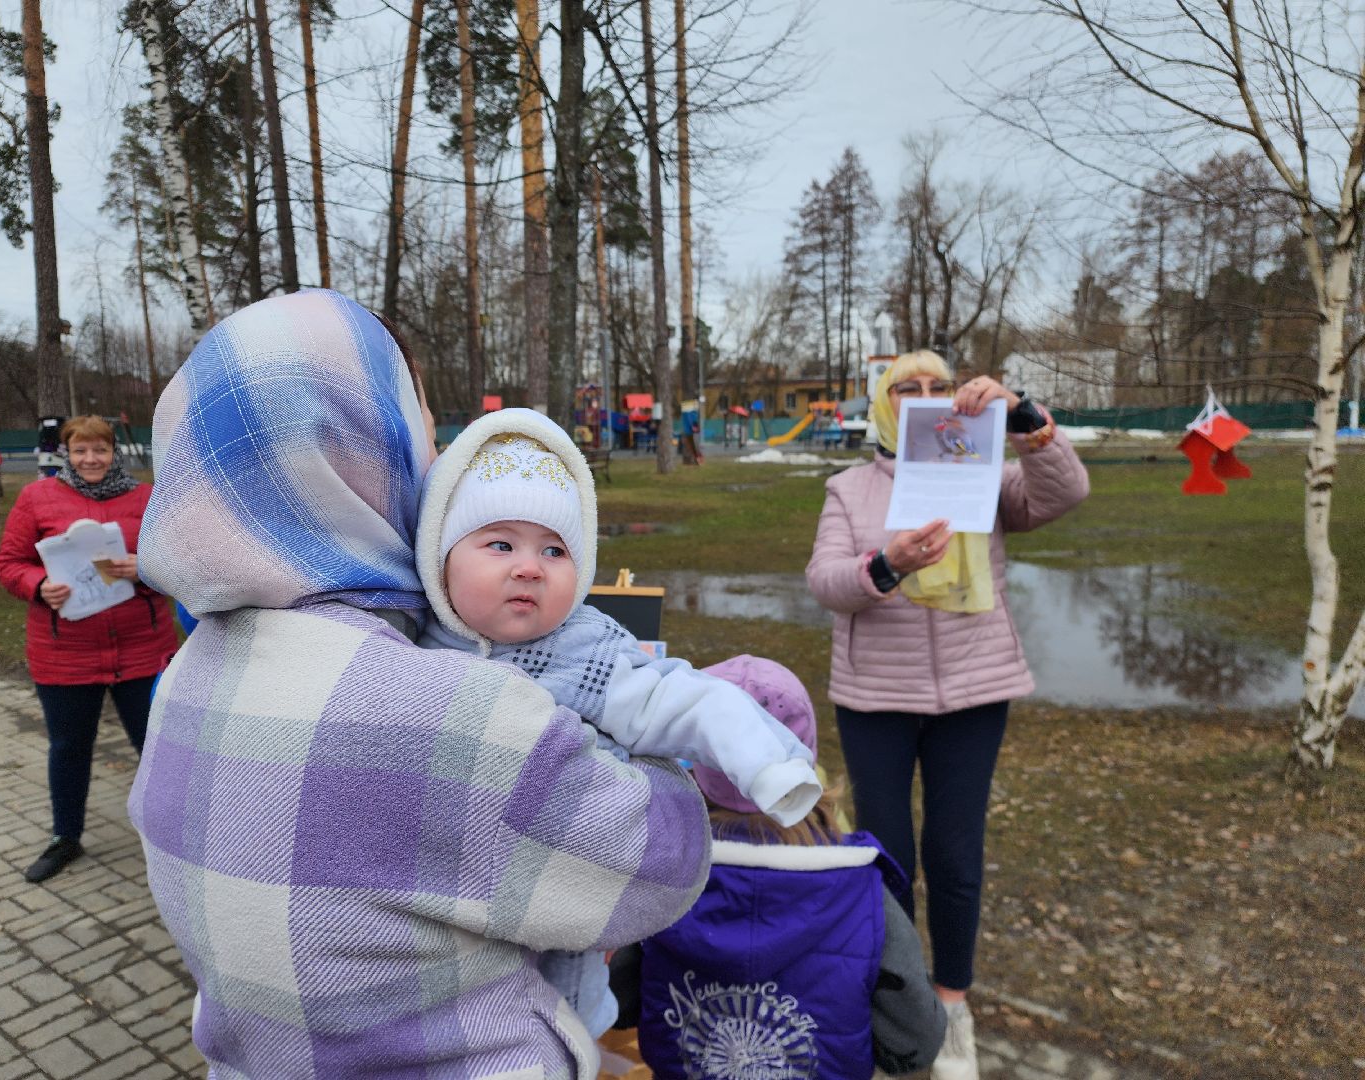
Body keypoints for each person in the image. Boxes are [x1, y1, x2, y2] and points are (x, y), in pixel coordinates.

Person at [128, 290, 712, 1079]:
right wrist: (637, 715)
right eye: (423, 439)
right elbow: (664, 862)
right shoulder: (437, 709)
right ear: (367, 452)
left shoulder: (179, 686)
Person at [415, 407, 822, 1037]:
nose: (530, 566)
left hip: (555, 950)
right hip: (432, 933)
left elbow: (683, 699)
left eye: (555, 549)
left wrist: (768, 764)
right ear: (439, 555)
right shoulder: (404, 648)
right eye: (500, 543)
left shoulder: (583, 654)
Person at [805, 350, 1089, 1080]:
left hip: (973, 691)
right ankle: (899, 1005)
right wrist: (886, 564)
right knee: (888, 858)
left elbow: (1064, 494)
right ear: (883, 402)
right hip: (876, 698)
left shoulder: (982, 469)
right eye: (908, 388)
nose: (925, 397)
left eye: (939, 386)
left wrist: (1023, 418)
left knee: (957, 859)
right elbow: (826, 582)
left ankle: (952, 1005)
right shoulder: (848, 488)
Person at [611, 654, 946, 1079]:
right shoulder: (863, 893)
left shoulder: (658, 884)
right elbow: (915, 1042)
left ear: (693, 758)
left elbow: (614, 1005)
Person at [0, 414, 179, 884]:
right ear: (66, 454)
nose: (91, 459)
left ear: (114, 452)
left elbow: (179, 560)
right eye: (80, 451)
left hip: (143, 649)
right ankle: (65, 838)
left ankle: (177, 838)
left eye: (100, 449)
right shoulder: (37, 497)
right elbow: (9, 563)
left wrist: (147, 567)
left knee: (158, 749)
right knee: (70, 747)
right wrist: (38, 585)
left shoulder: (146, 497)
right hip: (65, 654)